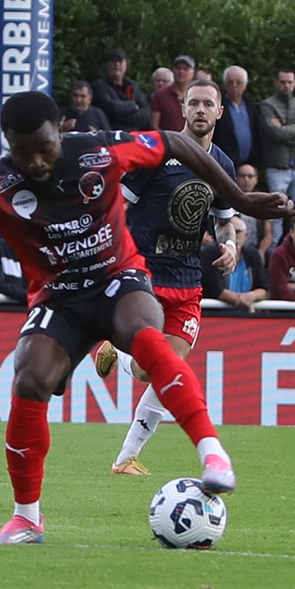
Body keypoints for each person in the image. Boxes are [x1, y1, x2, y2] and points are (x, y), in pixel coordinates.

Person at [0, 89, 290, 545]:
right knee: (30, 377)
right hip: (59, 299)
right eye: (22, 151)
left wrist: (241, 199)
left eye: (44, 148)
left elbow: (172, 142)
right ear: (8, 145)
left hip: (119, 279)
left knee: (144, 332)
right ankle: (26, 519)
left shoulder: (98, 149)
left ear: (61, 132)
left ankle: (213, 454)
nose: (35, 162)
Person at [105, 79, 242, 477]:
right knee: (158, 367)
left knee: (161, 369)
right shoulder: (157, 153)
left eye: (208, 104)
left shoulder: (223, 165)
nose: (200, 110)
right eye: (193, 103)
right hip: (144, 273)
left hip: (187, 279)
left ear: (219, 112)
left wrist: (230, 245)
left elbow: (223, 221)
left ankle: (124, 457)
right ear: (182, 109)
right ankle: (125, 452)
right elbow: (119, 206)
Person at [259, 69, 295, 208]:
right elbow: (276, 133)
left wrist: (285, 134)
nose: (286, 85)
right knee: (277, 209)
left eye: (290, 82)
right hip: (277, 167)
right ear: (276, 83)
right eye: (283, 82)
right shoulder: (267, 105)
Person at [201, 219, 266, 310]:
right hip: (217, 314)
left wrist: (251, 296)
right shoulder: (209, 253)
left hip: (248, 316)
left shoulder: (253, 255)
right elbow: (213, 288)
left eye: (237, 232)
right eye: (228, 233)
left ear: (246, 235)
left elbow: (263, 288)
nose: (233, 236)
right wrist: (238, 300)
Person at [91, 48, 151, 130]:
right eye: (113, 61)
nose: (116, 64)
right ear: (107, 65)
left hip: (133, 135)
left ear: (126, 66)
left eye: (120, 61)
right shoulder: (99, 86)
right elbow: (112, 108)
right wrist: (133, 105)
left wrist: (123, 118)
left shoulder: (133, 85)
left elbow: (147, 112)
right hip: (110, 135)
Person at [213, 65, 260, 169]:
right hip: (223, 164)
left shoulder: (252, 106)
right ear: (224, 84)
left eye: (238, 82)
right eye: (230, 82)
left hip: (248, 164)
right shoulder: (217, 106)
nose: (234, 85)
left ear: (245, 85)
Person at [232, 163, 273, 256]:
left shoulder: (263, 202)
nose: (246, 179)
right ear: (236, 178)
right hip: (233, 246)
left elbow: (268, 235)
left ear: (256, 179)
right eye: (242, 176)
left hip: (255, 248)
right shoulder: (229, 200)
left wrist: (261, 252)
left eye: (250, 176)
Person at [148, 54, 195, 131]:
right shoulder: (160, 95)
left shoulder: (197, 95)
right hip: (167, 140)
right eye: (178, 68)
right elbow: (154, 124)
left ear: (192, 73)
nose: (181, 71)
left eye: (185, 69)